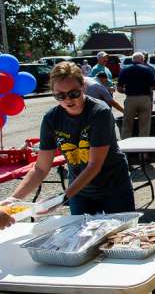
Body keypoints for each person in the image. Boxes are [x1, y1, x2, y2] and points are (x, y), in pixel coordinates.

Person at [0, 62, 135, 215]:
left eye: (74, 93)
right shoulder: (51, 118)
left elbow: (94, 165)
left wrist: (61, 198)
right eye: (60, 96)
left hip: (114, 187)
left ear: (83, 87)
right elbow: (41, 168)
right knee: (82, 237)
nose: (68, 100)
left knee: (121, 235)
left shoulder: (99, 112)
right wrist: (14, 199)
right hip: (80, 191)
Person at [117, 52, 155, 139]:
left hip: (130, 99)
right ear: (142, 60)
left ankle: (126, 149)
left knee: (127, 125)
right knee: (144, 126)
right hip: (145, 98)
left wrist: (127, 91)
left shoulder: (125, 70)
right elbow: (154, 87)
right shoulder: (147, 70)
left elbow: (119, 89)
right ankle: (143, 150)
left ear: (132, 60)